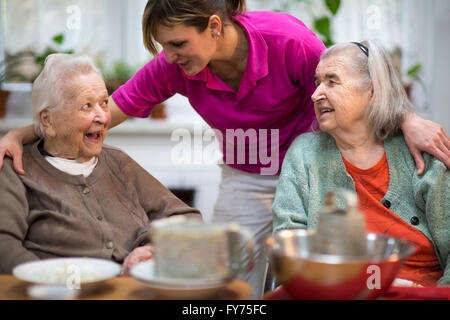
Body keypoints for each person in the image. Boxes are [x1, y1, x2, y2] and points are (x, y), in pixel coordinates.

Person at [0, 0, 449, 297]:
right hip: (247, 176)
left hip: (316, 165)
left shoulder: (288, 41)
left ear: (214, 26)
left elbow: (353, 81)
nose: (169, 55)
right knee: (227, 285)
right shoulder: (175, 66)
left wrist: (407, 118)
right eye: (163, 46)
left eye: (177, 42)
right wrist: (24, 134)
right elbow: (104, 111)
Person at [0, 54, 200, 275]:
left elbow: (186, 218)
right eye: (86, 106)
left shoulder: (118, 162)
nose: (104, 118)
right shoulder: (17, 169)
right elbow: (4, 248)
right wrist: (59, 283)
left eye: (104, 103)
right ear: (47, 120)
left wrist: (152, 249)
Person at [272, 40, 449, 287]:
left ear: (372, 91)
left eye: (332, 81)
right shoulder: (304, 154)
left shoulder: (420, 150)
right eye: (317, 82)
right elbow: (288, 242)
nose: (315, 94)